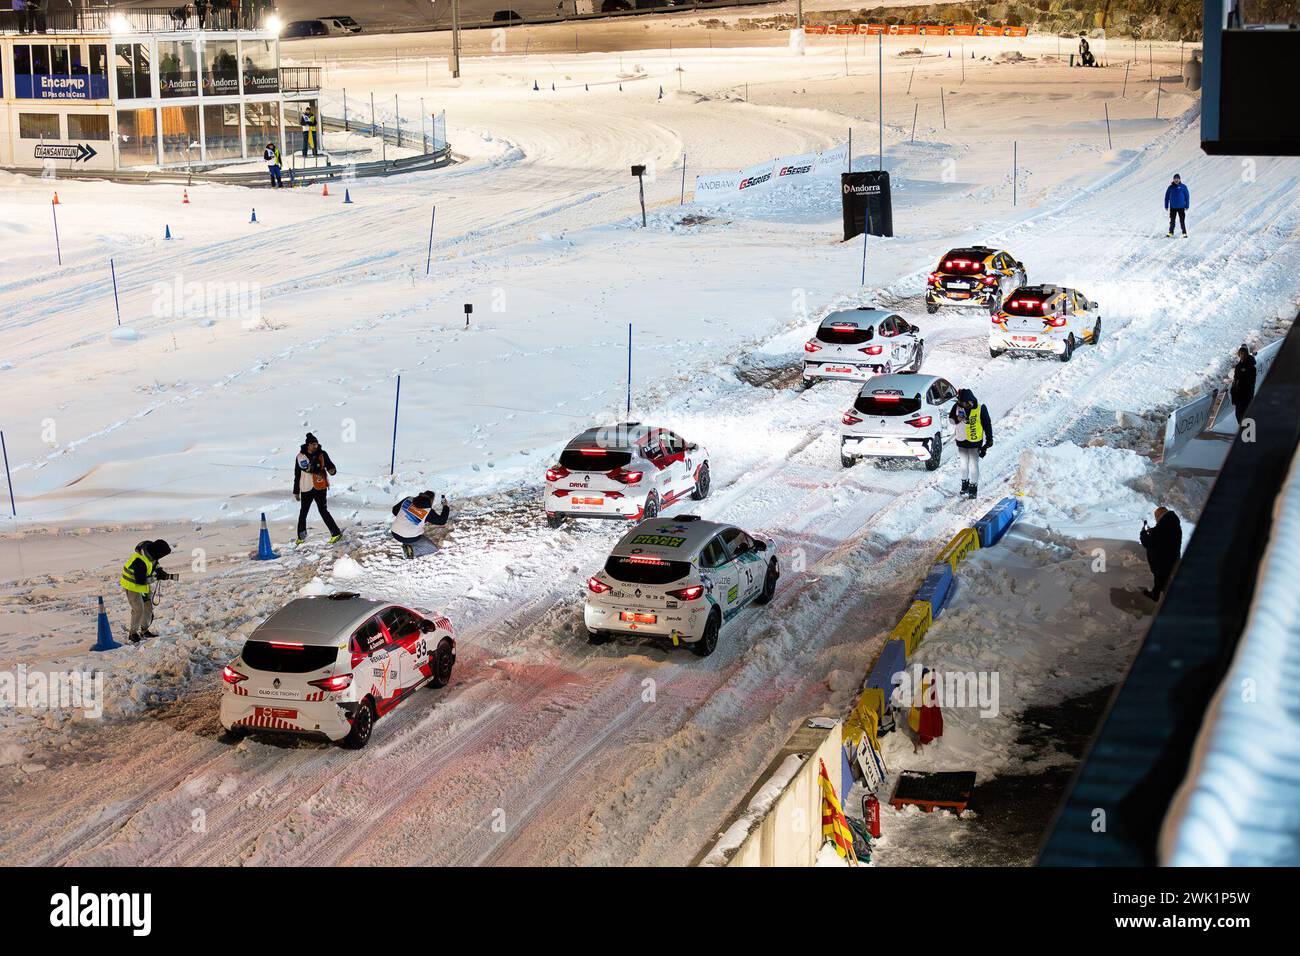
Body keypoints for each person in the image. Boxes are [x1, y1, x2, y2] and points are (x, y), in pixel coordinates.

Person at [119, 540, 178, 643]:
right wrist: (156, 577)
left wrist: (161, 573)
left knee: (148, 608)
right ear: (157, 552)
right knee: (139, 609)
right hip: (132, 586)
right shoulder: (139, 561)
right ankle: (133, 634)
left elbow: (156, 566)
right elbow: (140, 580)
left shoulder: (152, 556)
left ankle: (144, 630)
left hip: (142, 586)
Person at [293, 432, 342, 544]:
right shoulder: (300, 457)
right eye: (313, 444)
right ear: (308, 445)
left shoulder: (322, 454)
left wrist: (332, 470)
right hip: (306, 488)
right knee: (303, 512)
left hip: (320, 487)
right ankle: (301, 537)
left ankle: (336, 533)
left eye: (316, 444)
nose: (315, 446)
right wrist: (296, 490)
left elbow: (330, 465)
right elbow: (298, 474)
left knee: (323, 510)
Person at [950, 388, 993, 499]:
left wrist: (989, 440)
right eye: (961, 403)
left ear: (970, 401)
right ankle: (965, 485)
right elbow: (951, 420)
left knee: (973, 465)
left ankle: (973, 487)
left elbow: (987, 424)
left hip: (974, 442)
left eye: (964, 403)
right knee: (963, 464)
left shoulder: (980, 408)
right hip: (961, 440)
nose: (962, 405)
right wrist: (957, 419)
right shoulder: (957, 407)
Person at [390, 491, 451, 559]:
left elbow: (394, 511)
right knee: (433, 548)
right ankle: (410, 552)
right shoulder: (428, 511)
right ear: (431, 500)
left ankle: (406, 542)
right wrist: (445, 506)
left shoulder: (408, 499)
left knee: (411, 533)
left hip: (394, 532)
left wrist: (407, 514)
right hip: (409, 538)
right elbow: (442, 521)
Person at [1139, 507, 1182, 601]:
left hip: (1162, 560)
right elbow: (1163, 534)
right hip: (1173, 557)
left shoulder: (1161, 528)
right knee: (1165, 578)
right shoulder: (1173, 523)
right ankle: (1160, 591)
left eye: (1156, 517)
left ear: (1159, 516)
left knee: (1159, 577)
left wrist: (1143, 533)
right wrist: (1153, 531)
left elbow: (1147, 542)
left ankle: (1156, 595)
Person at [1229, 345, 1257, 428]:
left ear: (1247, 354)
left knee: (1245, 414)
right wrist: (1233, 393)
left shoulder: (1251, 367)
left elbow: (1251, 382)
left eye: (1244, 353)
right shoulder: (1238, 366)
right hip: (1238, 395)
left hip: (1246, 395)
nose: (1242, 355)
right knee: (1238, 414)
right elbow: (1235, 380)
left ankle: (1248, 432)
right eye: (1240, 353)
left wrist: (1249, 394)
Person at [1164, 173, 1190, 238]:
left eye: (1177, 179)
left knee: (1182, 220)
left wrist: (1187, 205)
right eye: (1175, 179)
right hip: (1173, 207)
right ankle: (1171, 232)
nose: (1176, 180)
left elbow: (1187, 196)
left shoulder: (1183, 187)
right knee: (1172, 221)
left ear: (1179, 179)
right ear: (1173, 179)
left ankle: (1184, 233)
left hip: (1181, 207)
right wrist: (1166, 205)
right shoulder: (1170, 187)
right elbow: (1167, 197)